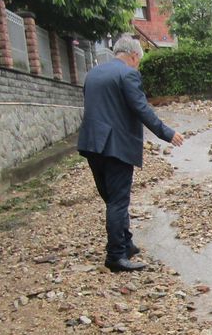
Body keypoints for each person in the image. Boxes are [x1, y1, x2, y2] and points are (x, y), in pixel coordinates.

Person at [77, 35, 183, 272]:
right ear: (134, 56)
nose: (137, 65)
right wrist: (167, 133)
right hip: (116, 147)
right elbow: (141, 109)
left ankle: (126, 242)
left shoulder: (93, 74)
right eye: (138, 61)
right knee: (118, 201)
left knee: (111, 198)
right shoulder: (128, 74)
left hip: (92, 144)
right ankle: (116, 256)